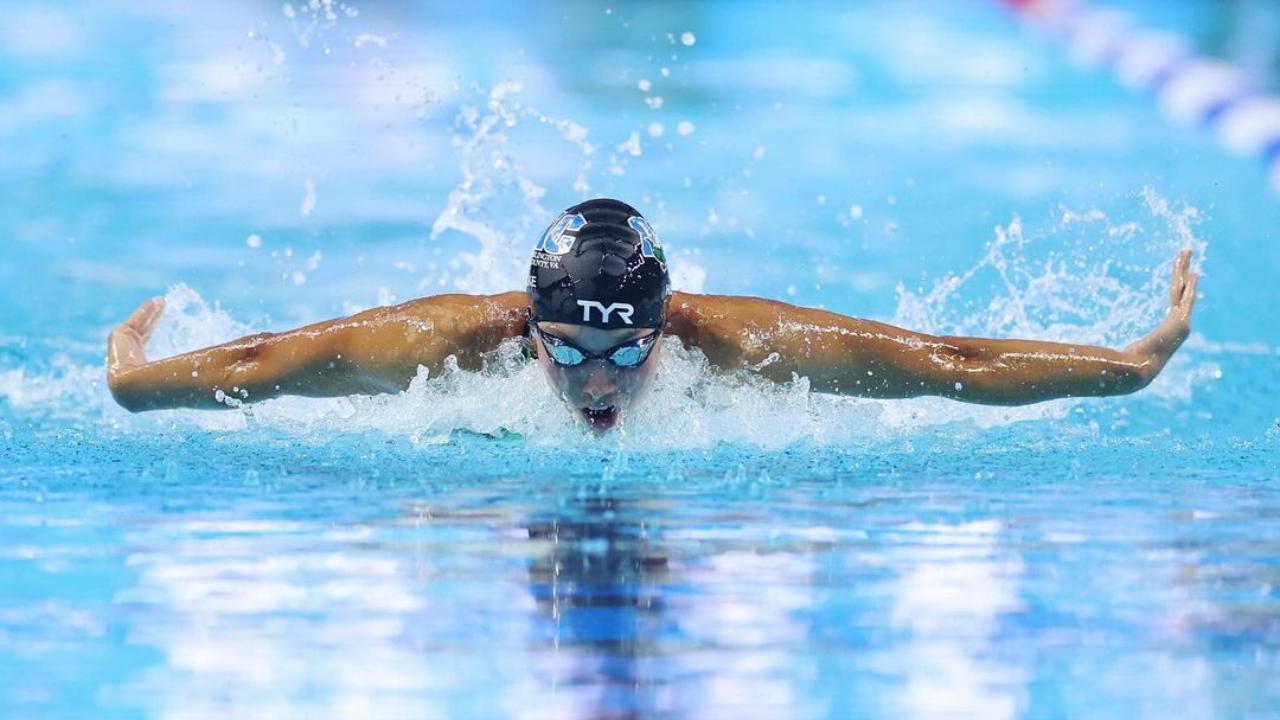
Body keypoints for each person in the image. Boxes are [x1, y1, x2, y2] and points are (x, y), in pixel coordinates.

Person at [107, 198, 1200, 431]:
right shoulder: (448, 342)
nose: (598, 381)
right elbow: (275, 358)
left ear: (662, 324)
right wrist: (134, 380)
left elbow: (936, 360)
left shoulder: (729, 342)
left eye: (626, 348)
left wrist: (1126, 363)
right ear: (524, 327)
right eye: (570, 350)